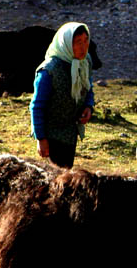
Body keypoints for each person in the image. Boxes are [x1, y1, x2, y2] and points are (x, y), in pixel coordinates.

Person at [29, 22, 94, 167]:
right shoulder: (49, 70)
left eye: (85, 41)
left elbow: (88, 87)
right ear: (66, 44)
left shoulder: (84, 63)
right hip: (52, 135)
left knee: (66, 173)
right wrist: (41, 138)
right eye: (78, 42)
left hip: (70, 133)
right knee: (55, 180)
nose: (83, 47)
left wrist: (89, 106)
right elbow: (36, 106)